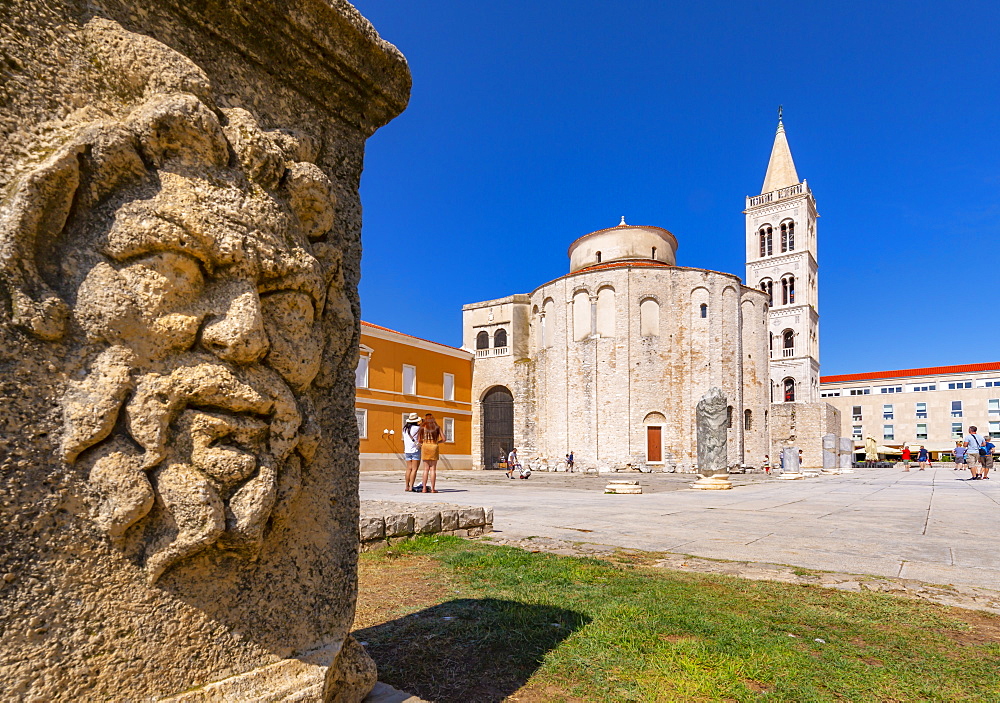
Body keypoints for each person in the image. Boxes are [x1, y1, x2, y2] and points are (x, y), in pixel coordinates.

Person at [418, 413, 445, 492]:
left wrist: (425, 442)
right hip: (434, 446)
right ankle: (433, 489)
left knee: (426, 469)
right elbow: (444, 439)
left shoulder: (422, 427)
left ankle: (424, 488)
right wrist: (437, 442)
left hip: (425, 446)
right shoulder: (437, 427)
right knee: (433, 469)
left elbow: (419, 440)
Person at [402, 413, 422, 492]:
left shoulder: (404, 429)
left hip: (407, 450)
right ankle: (411, 486)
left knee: (408, 469)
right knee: (414, 469)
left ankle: (407, 486)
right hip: (415, 450)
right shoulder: (418, 428)